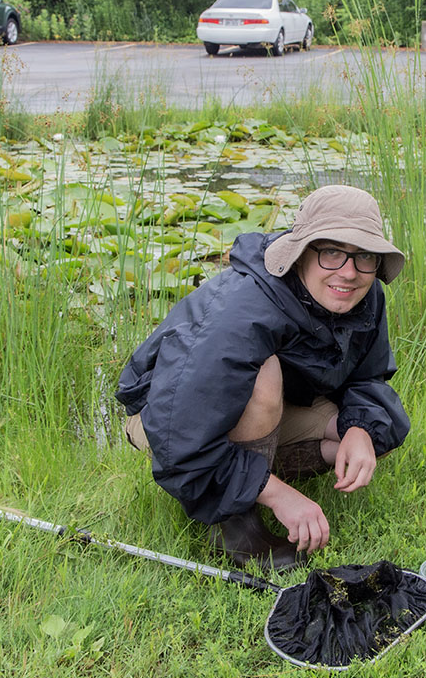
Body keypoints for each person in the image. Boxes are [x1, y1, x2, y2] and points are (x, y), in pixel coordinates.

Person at [115, 185, 409, 570]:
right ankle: (233, 524)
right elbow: (180, 436)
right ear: (301, 253)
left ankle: (258, 472)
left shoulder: (361, 292)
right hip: (167, 416)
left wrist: (360, 429)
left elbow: (369, 375)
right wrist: (275, 494)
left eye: (364, 256)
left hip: (266, 405)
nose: (349, 272)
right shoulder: (242, 307)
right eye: (331, 252)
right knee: (264, 374)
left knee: (363, 444)